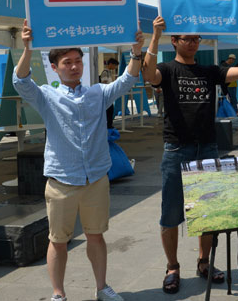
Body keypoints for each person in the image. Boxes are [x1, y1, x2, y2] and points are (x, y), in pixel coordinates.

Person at [13, 20, 143, 301]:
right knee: (58, 240)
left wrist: (136, 52)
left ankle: (102, 287)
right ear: (55, 67)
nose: (74, 67)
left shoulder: (97, 93)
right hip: (62, 181)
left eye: (78, 61)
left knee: (96, 235)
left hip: (95, 179)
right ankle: (58, 293)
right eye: (67, 62)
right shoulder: (47, 96)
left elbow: (127, 80)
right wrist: (27, 48)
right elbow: (20, 82)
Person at [142, 15, 238, 294]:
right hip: (176, 149)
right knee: (170, 213)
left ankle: (204, 262)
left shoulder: (209, 71)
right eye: (187, 39)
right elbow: (148, 75)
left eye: (196, 39)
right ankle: (172, 267)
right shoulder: (167, 70)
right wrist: (154, 36)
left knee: (208, 212)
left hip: (207, 149)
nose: (193, 43)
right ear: (174, 41)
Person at [100, 58, 119, 129]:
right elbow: (104, 83)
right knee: (109, 111)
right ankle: (108, 126)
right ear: (110, 64)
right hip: (106, 95)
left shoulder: (109, 72)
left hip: (108, 95)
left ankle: (109, 125)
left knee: (110, 111)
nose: (115, 67)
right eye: (115, 65)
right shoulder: (105, 72)